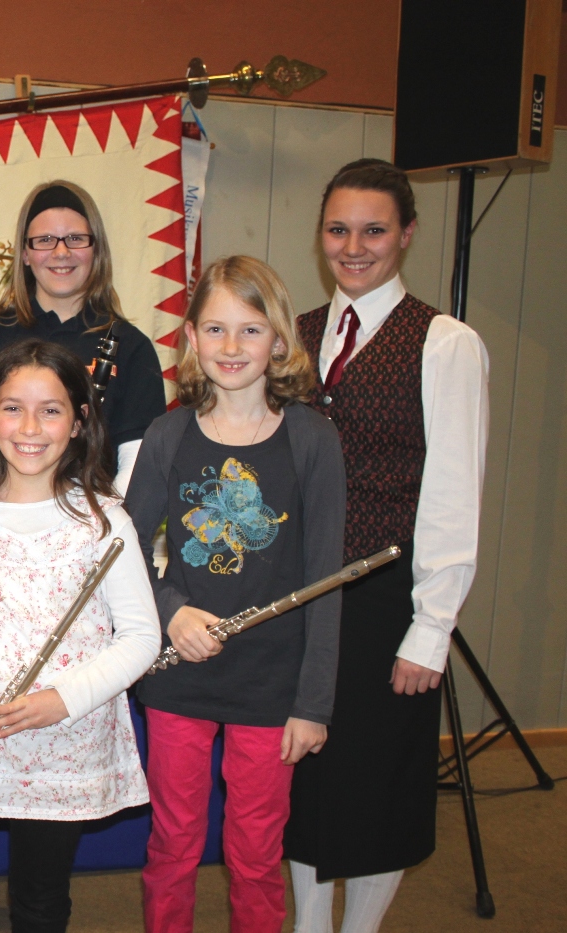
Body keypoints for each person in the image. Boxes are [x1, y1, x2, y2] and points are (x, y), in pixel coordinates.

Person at [284, 159, 489, 933]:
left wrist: (431, 626)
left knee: (376, 785)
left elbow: (454, 490)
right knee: (306, 781)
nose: (353, 246)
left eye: (373, 230)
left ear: (406, 234)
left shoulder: (443, 343)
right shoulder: (296, 335)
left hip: (387, 600)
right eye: (338, 229)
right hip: (302, 596)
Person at [0, 338, 160, 933]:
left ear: (79, 421)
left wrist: (63, 700)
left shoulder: (105, 519)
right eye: (13, 408)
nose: (30, 428)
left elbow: (141, 637)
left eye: (51, 410)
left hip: (64, 739)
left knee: (40, 899)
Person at [124, 256, 346, 933]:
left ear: (278, 339)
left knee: (255, 855)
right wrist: (171, 613)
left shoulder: (312, 438)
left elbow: (326, 580)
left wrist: (312, 704)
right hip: (179, 679)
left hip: (273, 688)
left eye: (250, 330)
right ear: (191, 337)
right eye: (215, 329)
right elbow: (124, 554)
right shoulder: (168, 434)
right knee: (173, 845)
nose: (230, 346)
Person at [0, 181, 166, 495]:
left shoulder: (132, 348)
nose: (61, 252)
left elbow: (138, 464)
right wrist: (12, 510)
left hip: (95, 517)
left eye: (75, 238)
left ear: (96, 249)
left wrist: (90, 515)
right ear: (25, 253)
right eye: (45, 240)